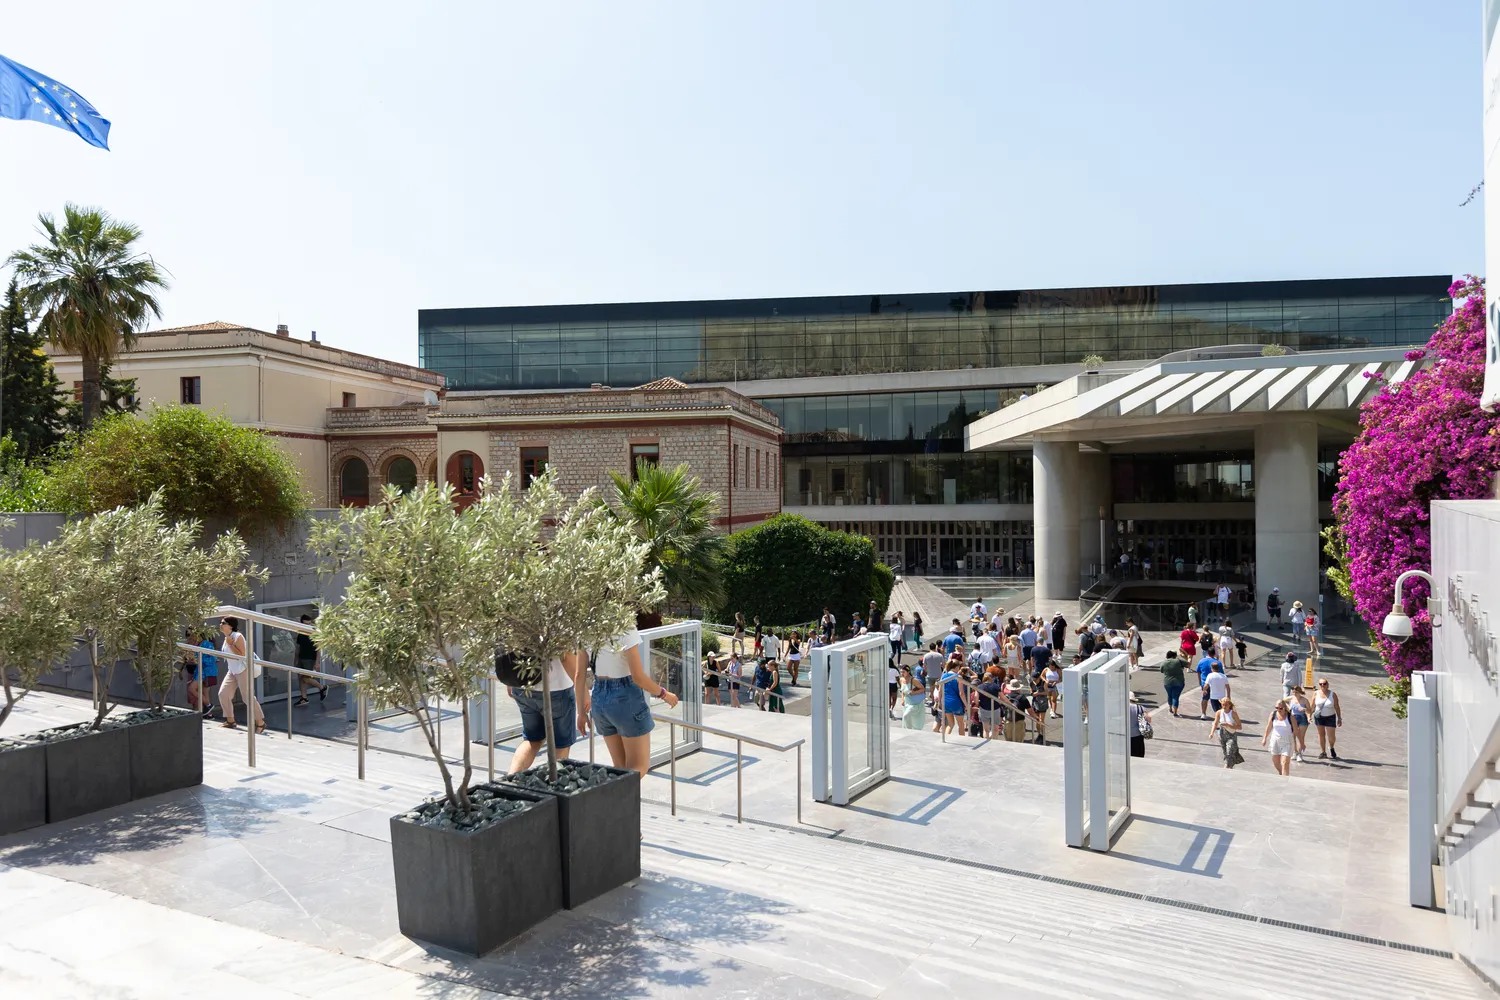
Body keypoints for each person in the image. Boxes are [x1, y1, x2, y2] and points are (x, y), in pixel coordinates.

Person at [591, 620, 680, 777]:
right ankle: (606, 799)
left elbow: (579, 674)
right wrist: (664, 694)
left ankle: (616, 800)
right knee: (638, 768)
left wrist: (581, 707)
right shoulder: (625, 626)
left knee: (619, 768)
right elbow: (638, 677)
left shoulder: (590, 624)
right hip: (625, 696)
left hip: (599, 695)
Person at [506, 651, 587, 773]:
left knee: (531, 739)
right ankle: (556, 785)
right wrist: (583, 691)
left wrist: (510, 681)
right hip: (557, 689)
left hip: (523, 686)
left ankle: (510, 781)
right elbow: (566, 657)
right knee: (561, 744)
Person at [215, 617, 265, 734]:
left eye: (223, 623)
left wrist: (231, 644)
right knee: (223, 694)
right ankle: (230, 721)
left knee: (247, 697)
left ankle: (260, 722)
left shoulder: (237, 636)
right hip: (232, 671)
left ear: (231, 625)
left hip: (243, 669)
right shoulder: (227, 638)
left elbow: (242, 654)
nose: (220, 624)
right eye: (221, 622)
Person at [183, 627, 219, 716]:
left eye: (191, 635)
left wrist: (196, 659)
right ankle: (208, 713)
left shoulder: (206, 644)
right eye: (188, 636)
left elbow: (212, 658)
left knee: (193, 689)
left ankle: (208, 706)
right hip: (198, 670)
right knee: (203, 691)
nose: (190, 637)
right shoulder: (193, 644)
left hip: (206, 671)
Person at [294, 615, 328, 706]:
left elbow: (318, 648)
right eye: (305, 624)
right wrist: (296, 660)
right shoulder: (300, 633)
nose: (308, 626)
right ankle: (304, 698)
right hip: (302, 657)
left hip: (310, 659)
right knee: (301, 679)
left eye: (309, 624)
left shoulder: (314, 633)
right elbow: (298, 648)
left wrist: (317, 662)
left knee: (306, 678)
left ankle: (322, 687)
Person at [1208, 696, 1244, 769]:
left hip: (1231, 735)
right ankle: (1229, 765)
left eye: (1226, 704)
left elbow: (1240, 726)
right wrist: (1211, 733)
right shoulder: (1219, 712)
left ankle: (1227, 766)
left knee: (1229, 751)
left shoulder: (1233, 713)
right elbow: (1215, 723)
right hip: (1222, 735)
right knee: (1226, 752)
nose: (1224, 706)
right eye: (1222, 704)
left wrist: (1228, 725)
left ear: (1229, 705)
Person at [1262, 699, 1296, 776]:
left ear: (1284, 708)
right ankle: (1281, 773)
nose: (1278, 710)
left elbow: (1296, 730)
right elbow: (1269, 726)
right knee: (1276, 761)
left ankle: (1284, 779)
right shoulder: (1273, 714)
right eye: (1276, 708)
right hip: (1275, 739)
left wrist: (1301, 742)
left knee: (1284, 762)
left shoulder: (1290, 717)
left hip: (1287, 741)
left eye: (1280, 708)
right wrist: (1265, 738)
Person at [1313, 677, 1343, 759]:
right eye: (1320, 684)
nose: (1323, 685)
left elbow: (1337, 706)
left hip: (1330, 717)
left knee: (1331, 737)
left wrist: (1339, 718)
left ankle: (1331, 747)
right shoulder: (1316, 693)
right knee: (1321, 734)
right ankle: (1323, 752)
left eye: (1324, 683)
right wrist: (1308, 715)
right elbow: (1312, 706)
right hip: (1319, 717)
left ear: (1328, 684)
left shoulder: (1333, 694)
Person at [939, 653, 967, 737]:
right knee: (961, 724)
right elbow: (961, 693)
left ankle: (946, 738)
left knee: (950, 724)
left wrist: (939, 702)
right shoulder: (958, 677)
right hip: (956, 702)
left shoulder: (943, 676)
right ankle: (962, 741)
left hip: (946, 701)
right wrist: (966, 705)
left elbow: (940, 690)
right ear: (956, 667)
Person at [976, 666, 1005, 739]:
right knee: (995, 729)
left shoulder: (979, 687)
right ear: (991, 678)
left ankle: (987, 742)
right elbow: (1003, 698)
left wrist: (978, 704)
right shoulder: (996, 686)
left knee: (986, 730)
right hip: (995, 709)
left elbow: (976, 698)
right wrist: (1010, 704)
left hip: (984, 709)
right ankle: (994, 742)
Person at [1287, 685, 1312, 762]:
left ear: (1300, 692)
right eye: (1293, 692)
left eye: (1296, 692)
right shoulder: (1291, 698)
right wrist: (1288, 708)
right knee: (1292, 736)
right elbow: (1282, 701)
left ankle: (1299, 754)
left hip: (1302, 718)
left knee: (1301, 737)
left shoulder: (1304, 700)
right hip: (1293, 718)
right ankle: (1295, 752)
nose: (1295, 694)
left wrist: (1305, 710)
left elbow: (1309, 711)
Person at [899, 665, 926, 730]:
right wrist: (902, 699)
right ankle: (909, 729)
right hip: (907, 702)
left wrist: (913, 693)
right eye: (901, 672)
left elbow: (923, 689)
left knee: (906, 716)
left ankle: (909, 730)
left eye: (903, 672)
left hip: (915, 703)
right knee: (908, 717)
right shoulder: (901, 679)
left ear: (908, 672)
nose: (902, 674)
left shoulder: (913, 680)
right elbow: (902, 691)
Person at [1159, 651, 1186, 717]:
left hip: (1167, 682)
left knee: (1169, 695)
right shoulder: (1178, 661)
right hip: (1179, 681)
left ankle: (1170, 708)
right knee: (1175, 697)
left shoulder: (1164, 663)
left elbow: (1161, 670)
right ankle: (1175, 712)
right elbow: (1188, 664)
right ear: (1174, 656)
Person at [1196, 649, 1220, 719]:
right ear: (1214, 653)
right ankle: (1219, 714)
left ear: (1207, 653)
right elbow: (1221, 673)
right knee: (1217, 699)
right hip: (1215, 684)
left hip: (1205, 683)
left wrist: (1200, 682)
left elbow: (1198, 672)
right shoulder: (1217, 662)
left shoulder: (1201, 661)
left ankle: (1203, 714)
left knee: (1205, 698)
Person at [1128, 693, 1152, 758]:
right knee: (1138, 755)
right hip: (1137, 736)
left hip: (1125, 736)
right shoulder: (1140, 707)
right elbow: (1149, 719)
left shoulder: (1121, 707)